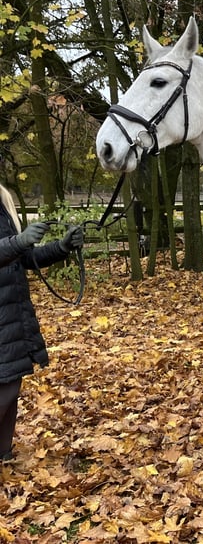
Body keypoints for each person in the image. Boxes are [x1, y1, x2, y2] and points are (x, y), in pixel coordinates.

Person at [0, 184, 83, 461]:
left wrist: (62, 247)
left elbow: (25, 259)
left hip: (11, 309)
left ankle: (3, 454)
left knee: (12, 383)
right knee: (6, 385)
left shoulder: (3, 201)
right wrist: (20, 240)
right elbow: (13, 248)